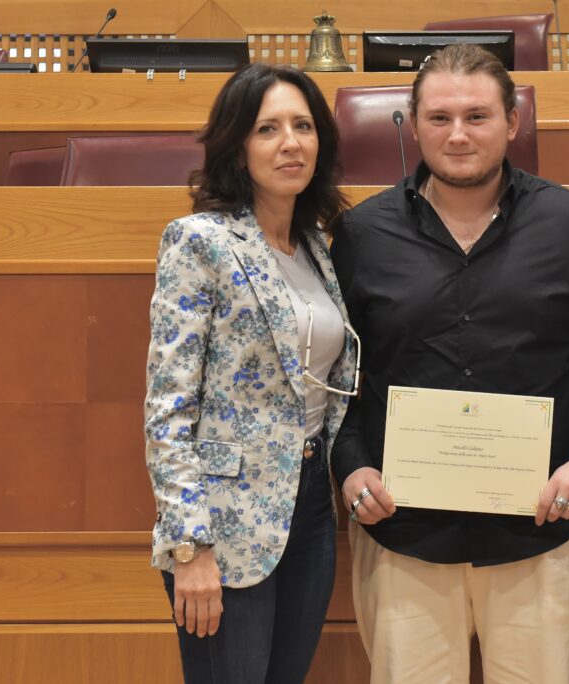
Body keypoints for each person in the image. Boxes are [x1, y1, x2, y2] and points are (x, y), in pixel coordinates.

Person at [329, 43, 569, 683]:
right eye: (439, 118)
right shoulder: (363, 233)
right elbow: (339, 373)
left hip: (540, 532)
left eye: (477, 116)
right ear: (413, 125)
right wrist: (352, 463)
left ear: (512, 123)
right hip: (402, 534)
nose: (458, 134)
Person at [143, 63, 358, 683]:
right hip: (222, 518)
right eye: (268, 129)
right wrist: (190, 548)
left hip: (310, 500)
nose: (291, 143)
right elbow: (168, 407)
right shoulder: (200, 241)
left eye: (303, 126)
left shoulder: (317, 245)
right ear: (238, 146)